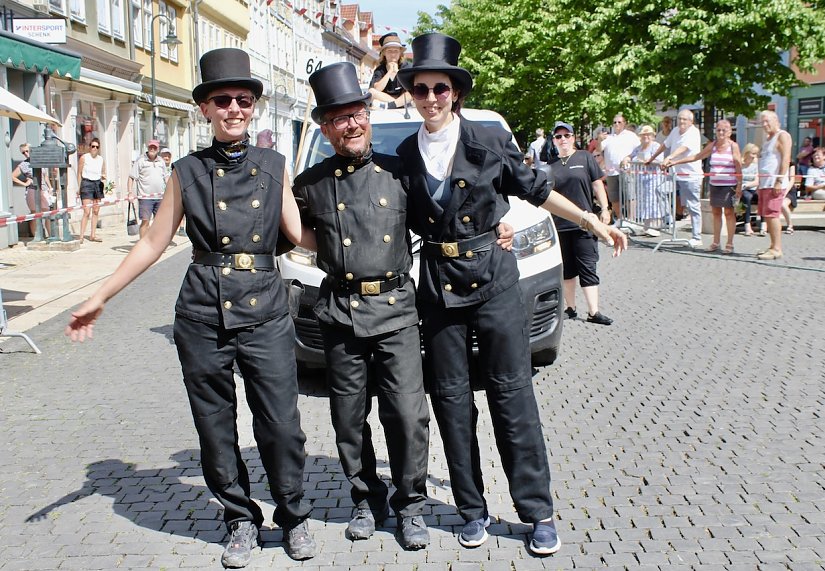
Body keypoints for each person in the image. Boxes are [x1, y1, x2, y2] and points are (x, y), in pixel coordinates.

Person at [65, 48, 316, 569]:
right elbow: (153, 242)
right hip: (203, 312)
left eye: (243, 100)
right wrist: (99, 296)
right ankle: (240, 519)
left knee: (281, 424)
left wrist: (370, 243)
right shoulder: (186, 171)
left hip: (266, 307)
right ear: (204, 107)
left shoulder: (275, 166)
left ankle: (293, 515)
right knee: (214, 425)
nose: (233, 109)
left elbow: (301, 235)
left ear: (253, 108)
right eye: (221, 100)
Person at [395, 32, 627, 556]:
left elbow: (538, 191)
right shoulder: (406, 154)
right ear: (411, 93)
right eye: (421, 89)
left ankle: (537, 511)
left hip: (496, 281)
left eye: (440, 88)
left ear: (454, 92)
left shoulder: (488, 141)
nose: (430, 97)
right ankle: (470, 509)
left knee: (511, 394)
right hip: (436, 285)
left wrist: (592, 221)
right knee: (451, 401)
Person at [292, 61, 433, 551]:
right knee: (348, 416)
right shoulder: (310, 183)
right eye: (338, 118)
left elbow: (442, 220)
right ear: (325, 128)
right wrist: (325, 248)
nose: (350, 124)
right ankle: (364, 498)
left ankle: (410, 502)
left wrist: (494, 225)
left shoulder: (400, 174)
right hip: (339, 311)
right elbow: (288, 230)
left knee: (407, 413)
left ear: (367, 116)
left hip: (395, 308)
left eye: (356, 114)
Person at [547, 121, 613, 325]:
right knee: (566, 269)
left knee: (587, 265)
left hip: (584, 223)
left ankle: (594, 311)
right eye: (558, 137)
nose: (563, 140)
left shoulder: (584, 157)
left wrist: (604, 208)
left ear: (573, 138)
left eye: (566, 135)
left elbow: (597, 184)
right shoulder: (550, 166)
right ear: (554, 141)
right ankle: (570, 307)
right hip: (560, 225)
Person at [665, 119, 741, 254]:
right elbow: (697, 156)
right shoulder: (713, 145)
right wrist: (675, 161)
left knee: (729, 213)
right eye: (719, 130)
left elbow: (738, 166)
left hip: (729, 185)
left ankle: (730, 243)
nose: (721, 132)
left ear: (729, 132)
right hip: (715, 184)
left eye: (724, 130)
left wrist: (739, 186)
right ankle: (716, 242)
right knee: (716, 213)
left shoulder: (733, 146)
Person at [649, 109, 704, 247]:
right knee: (660, 190)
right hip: (675, 174)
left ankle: (697, 237)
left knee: (692, 205)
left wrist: (670, 157)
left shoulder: (693, 132)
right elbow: (664, 145)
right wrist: (652, 158)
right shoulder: (675, 131)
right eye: (680, 118)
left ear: (691, 121)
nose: (682, 121)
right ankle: (669, 220)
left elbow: (684, 148)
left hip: (690, 175)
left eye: (685, 119)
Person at [756, 110, 792, 259]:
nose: (764, 125)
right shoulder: (768, 139)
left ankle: (777, 248)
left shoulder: (782, 135)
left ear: (776, 121)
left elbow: (786, 159)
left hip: (774, 183)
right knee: (767, 215)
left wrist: (778, 181)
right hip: (765, 183)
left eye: (767, 121)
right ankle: (772, 246)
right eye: (762, 122)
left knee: (772, 214)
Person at [621, 125, 666, 237]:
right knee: (644, 202)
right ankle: (646, 226)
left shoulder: (656, 146)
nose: (646, 137)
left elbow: (660, 160)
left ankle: (655, 226)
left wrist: (648, 161)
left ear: (652, 136)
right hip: (641, 179)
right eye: (643, 135)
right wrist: (627, 159)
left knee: (653, 201)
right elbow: (631, 156)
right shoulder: (638, 148)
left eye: (648, 134)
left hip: (653, 178)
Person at [601, 113, 640, 224]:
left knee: (629, 196)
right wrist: (599, 140)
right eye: (615, 122)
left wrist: (629, 157)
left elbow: (639, 148)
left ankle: (632, 221)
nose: (617, 124)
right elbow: (599, 149)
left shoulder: (631, 136)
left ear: (624, 123)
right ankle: (620, 220)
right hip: (611, 172)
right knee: (614, 198)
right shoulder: (609, 137)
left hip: (626, 170)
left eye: (619, 122)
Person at [128, 139, 168, 239]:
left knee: (159, 222)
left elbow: (166, 177)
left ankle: (157, 245)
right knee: (145, 221)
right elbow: (131, 177)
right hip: (145, 197)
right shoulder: (141, 160)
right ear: (148, 147)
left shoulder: (161, 161)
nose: (152, 149)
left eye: (154, 147)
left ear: (158, 149)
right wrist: (130, 192)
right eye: (151, 147)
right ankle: (143, 245)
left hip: (160, 197)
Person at [11, 142, 53, 238]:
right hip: (32, 190)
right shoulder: (24, 164)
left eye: (27, 151)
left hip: (43, 190)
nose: (26, 153)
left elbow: (45, 176)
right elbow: (12, 176)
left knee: (47, 212)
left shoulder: (40, 161)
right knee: (34, 214)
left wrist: (50, 187)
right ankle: (36, 237)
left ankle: (50, 236)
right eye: (23, 152)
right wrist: (24, 183)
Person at [368, 32, 412, 109]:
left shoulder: (407, 67)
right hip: (387, 99)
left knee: (413, 91)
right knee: (371, 91)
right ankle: (397, 104)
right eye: (389, 51)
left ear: (400, 53)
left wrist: (398, 73)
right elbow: (376, 89)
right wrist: (390, 72)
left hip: (402, 99)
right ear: (384, 53)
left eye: (396, 51)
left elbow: (409, 88)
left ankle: (391, 106)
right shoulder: (380, 69)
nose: (393, 54)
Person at [77, 137, 106, 243]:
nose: (94, 148)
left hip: (97, 183)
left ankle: (93, 235)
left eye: (96, 147)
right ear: (89, 147)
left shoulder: (101, 159)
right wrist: (79, 187)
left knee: (96, 210)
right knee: (86, 211)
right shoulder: (84, 158)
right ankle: (81, 236)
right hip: (86, 183)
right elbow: (79, 173)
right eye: (92, 146)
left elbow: (103, 172)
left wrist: (104, 179)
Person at [739, 143, 760, 236]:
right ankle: (747, 224)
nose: (754, 156)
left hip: (751, 187)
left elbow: (757, 181)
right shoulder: (740, 164)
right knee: (746, 198)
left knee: (762, 197)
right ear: (747, 153)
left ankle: (764, 224)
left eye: (756, 154)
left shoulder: (755, 165)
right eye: (753, 153)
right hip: (741, 189)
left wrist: (747, 185)